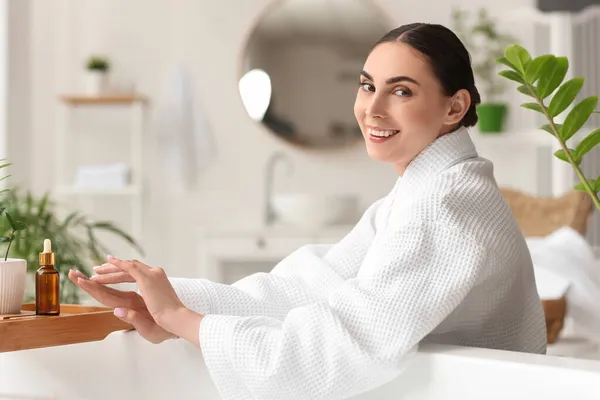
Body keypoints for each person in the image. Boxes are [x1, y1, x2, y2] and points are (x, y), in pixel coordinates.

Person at [68, 22, 547, 400]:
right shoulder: (426, 191)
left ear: (454, 107)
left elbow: (337, 349)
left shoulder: (445, 206)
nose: (372, 109)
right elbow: (313, 286)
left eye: (401, 91)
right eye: (366, 86)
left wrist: (183, 320)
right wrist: (173, 302)